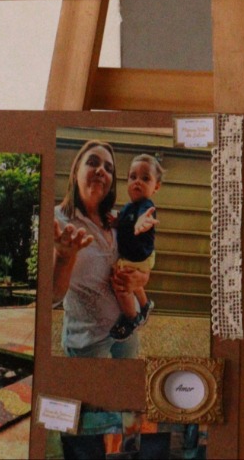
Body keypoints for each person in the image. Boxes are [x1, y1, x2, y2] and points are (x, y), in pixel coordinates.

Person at [51, 139, 150, 359]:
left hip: (127, 333)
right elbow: (51, 296)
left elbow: (141, 260)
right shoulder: (56, 220)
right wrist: (63, 258)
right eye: (92, 162)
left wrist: (141, 278)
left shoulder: (117, 219)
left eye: (108, 168)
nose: (100, 170)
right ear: (76, 170)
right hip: (88, 344)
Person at [108, 153, 162, 340]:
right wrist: (116, 222)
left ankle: (132, 318)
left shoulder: (145, 205)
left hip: (138, 255)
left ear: (156, 186)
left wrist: (142, 222)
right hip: (136, 256)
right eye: (133, 177)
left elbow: (143, 216)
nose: (137, 182)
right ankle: (145, 305)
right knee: (133, 280)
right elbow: (124, 222)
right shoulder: (128, 207)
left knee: (121, 284)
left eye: (145, 178)